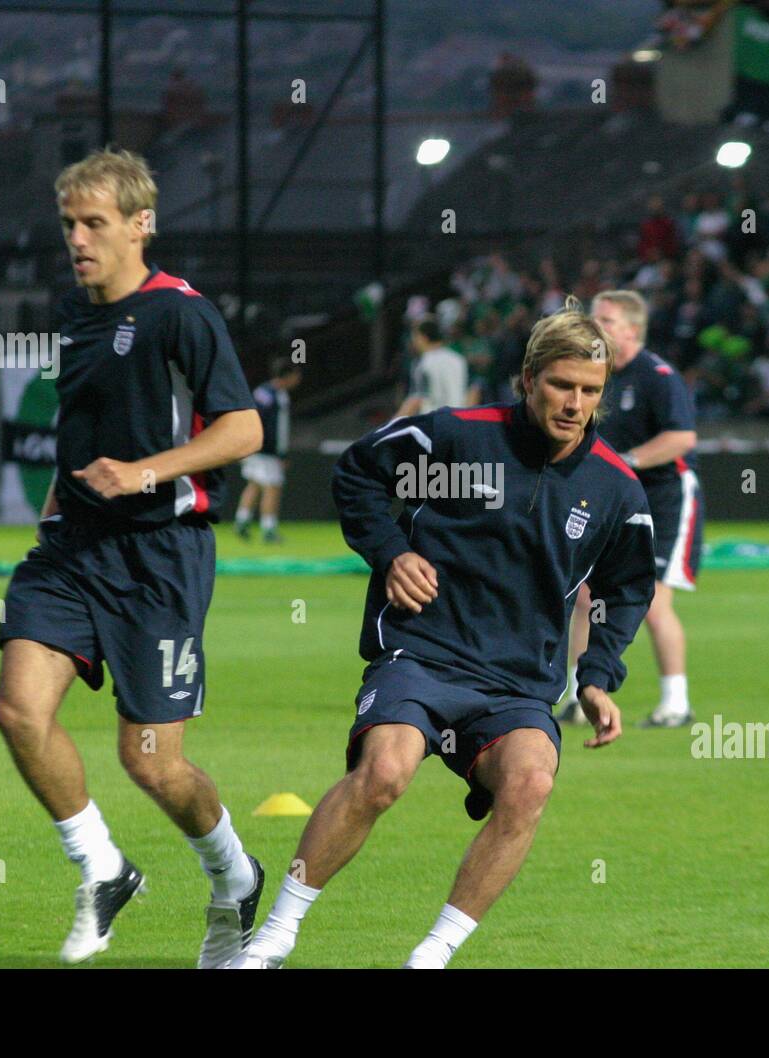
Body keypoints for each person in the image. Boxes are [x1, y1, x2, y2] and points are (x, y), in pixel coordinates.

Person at [231, 296, 656, 969]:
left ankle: (431, 955)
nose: (575, 403)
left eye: (590, 391)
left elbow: (631, 587)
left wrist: (600, 674)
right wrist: (392, 552)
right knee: (384, 774)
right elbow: (358, 473)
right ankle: (275, 937)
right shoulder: (458, 436)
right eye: (561, 385)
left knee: (530, 784)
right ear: (528, 380)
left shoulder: (616, 488)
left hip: (517, 684)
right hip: (423, 654)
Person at [0, 147, 266, 967]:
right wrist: (50, 514)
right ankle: (102, 868)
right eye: (69, 224)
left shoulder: (182, 313)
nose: (78, 239)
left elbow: (243, 431)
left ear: (140, 225)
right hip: (72, 547)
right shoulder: (73, 313)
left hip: (159, 558)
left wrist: (146, 472)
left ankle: (235, 875)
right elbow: (81, 435)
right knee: (17, 709)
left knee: (150, 762)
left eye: (94, 224)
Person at [561, 290, 703, 728]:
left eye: (605, 318)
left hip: (665, 500)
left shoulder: (658, 376)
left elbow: (682, 439)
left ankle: (676, 703)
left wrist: (628, 463)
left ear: (631, 329)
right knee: (585, 597)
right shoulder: (599, 373)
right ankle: (576, 695)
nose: (595, 323)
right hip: (618, 501)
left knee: (654, 603)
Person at [234, 357, 302, 544]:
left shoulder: (261, 391)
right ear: (287, 376)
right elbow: (277, 428)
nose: (298, 379)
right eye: (296, 374)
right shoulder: (278, 396)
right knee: (273, 487)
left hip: (252, 446)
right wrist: (281, 453)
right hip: (267, 450)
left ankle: (242, 520)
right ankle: (269, 528)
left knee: (254, 483)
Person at [395, 317, 468, 416]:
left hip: (432, 422)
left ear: (422, 337)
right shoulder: (457, 359)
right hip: (456, 419)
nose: (412, 341)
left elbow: (416, 400)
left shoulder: (423, 363)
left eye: (414, 336)